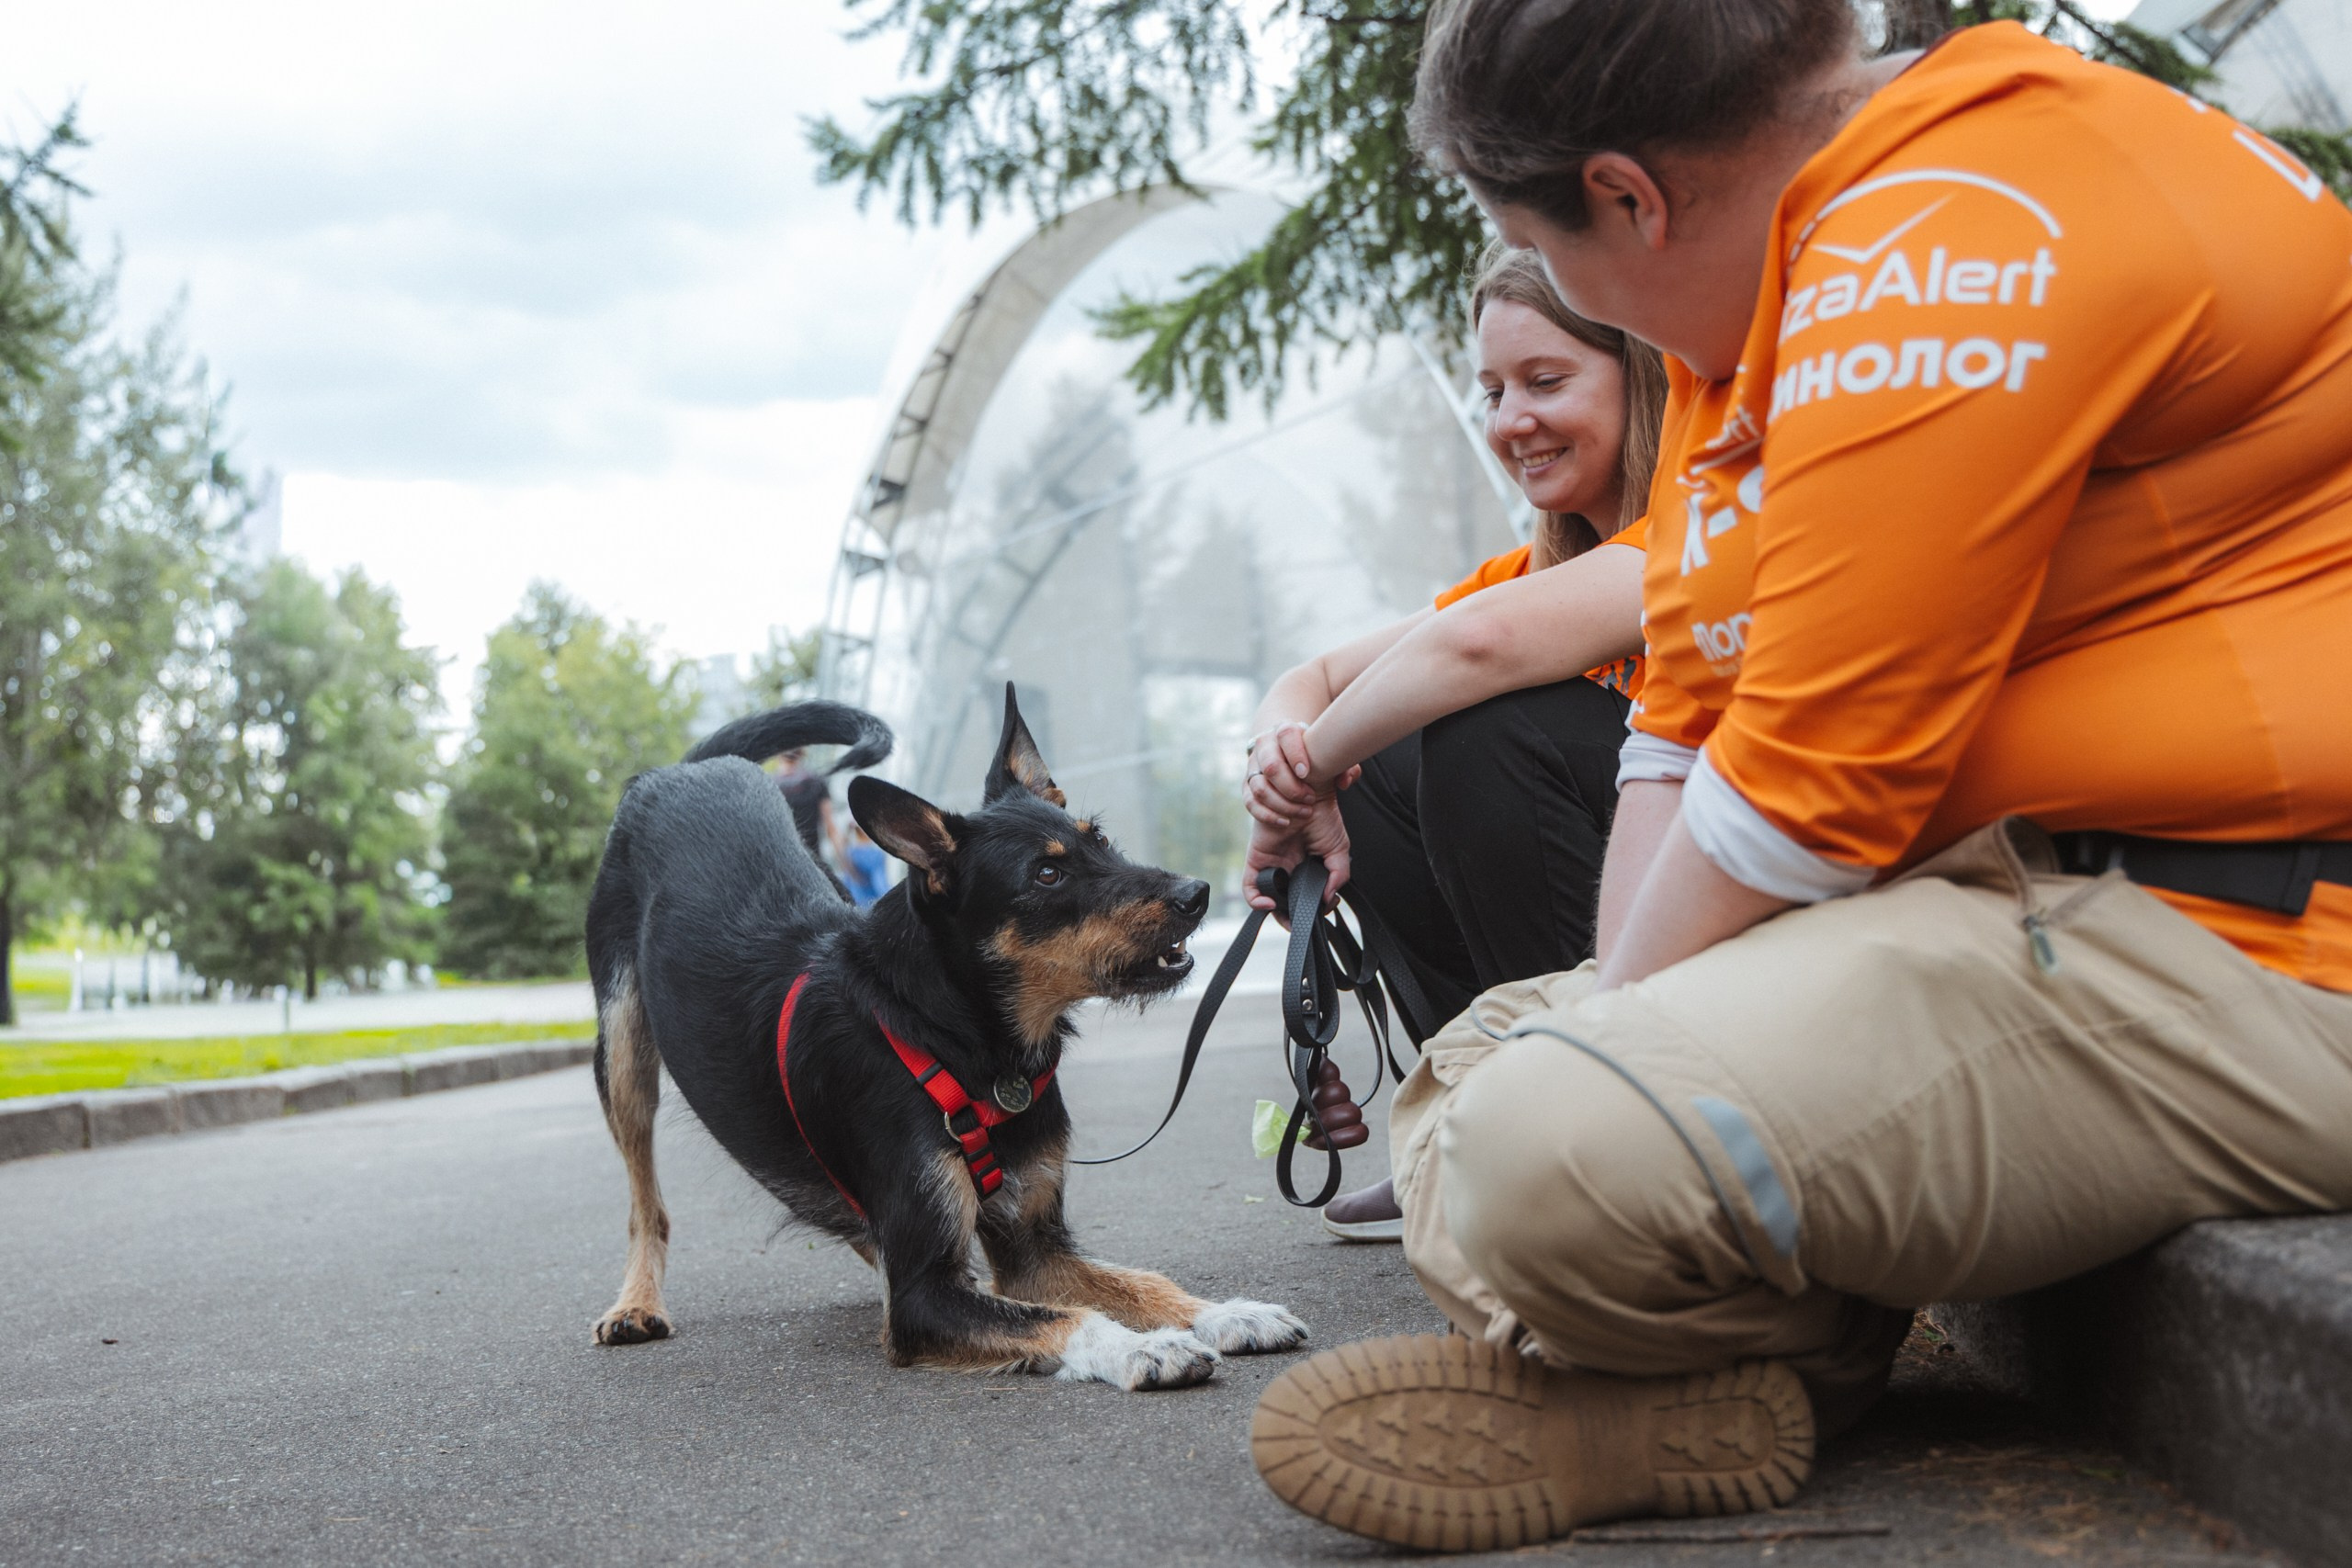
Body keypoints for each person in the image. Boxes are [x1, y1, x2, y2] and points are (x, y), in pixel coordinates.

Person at [1249, 2, 2352, 1550]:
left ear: (1630, 195)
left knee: (1532, 1147)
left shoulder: (1948, 227)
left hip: (2257, 951)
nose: (1562, 300)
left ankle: (1723, 1348)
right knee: (1498, 1062)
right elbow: (1684, 728)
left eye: (1541, 248)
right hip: (2020, 909)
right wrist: (1604, 1015)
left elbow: (1810, 788)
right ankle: (1737, 1349)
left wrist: (1608, 1038)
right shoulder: (1776, 284)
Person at [1242, 242, 1667, 1240]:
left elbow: (1471, 649)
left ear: (1639, 374)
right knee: (1387, 752)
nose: (1509, 420)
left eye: (1546, 380)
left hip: (1724, 925)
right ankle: (1468, 1112)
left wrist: (1300, 785)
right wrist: (1287, 767)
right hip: (1624, 898)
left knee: (1474, 719)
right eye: (1491, 390)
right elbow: (1308, 682)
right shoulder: (1533, 568)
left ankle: (1572, 1120)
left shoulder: (1703, 516)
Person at [772, 749, 842, 868]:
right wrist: (847, 864)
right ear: (801, 754)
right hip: (813, 863)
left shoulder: (770, 785)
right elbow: (831, 828)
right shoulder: (816, 782)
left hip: (782, 864)